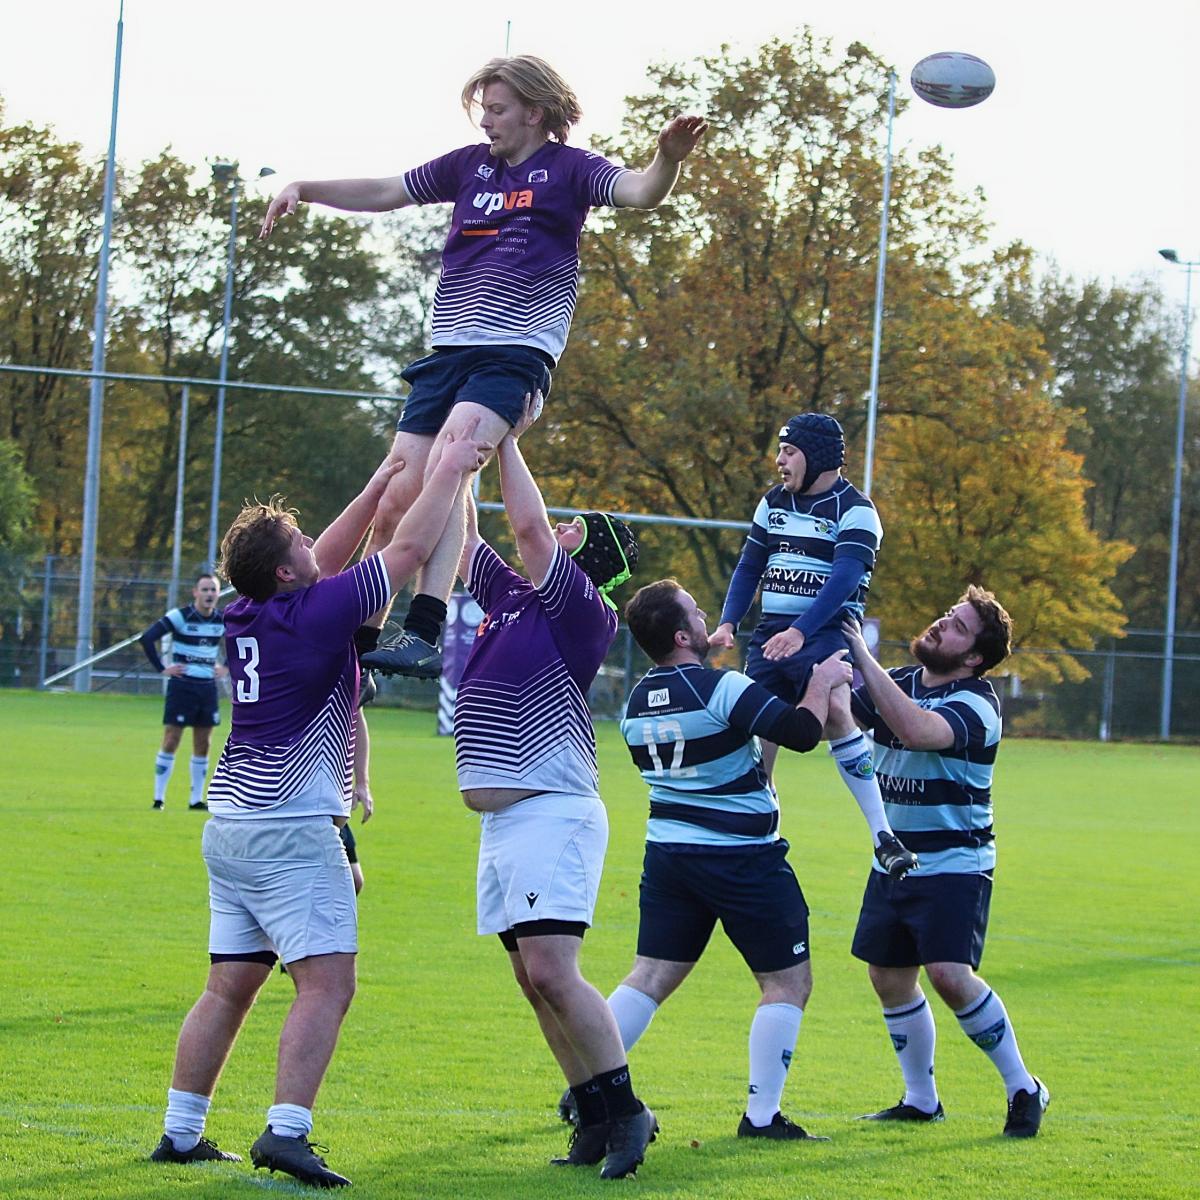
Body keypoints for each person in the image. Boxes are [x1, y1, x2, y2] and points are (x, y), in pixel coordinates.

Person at [260, 55, 706, 680]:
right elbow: (387, 191)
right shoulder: (470, 165)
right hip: (448, 352)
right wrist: (305, 188)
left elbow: (640, 191)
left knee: (452, 459)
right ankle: (358, 653)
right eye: (482, 110)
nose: (486, 121)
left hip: (515, 350)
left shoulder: (570, 170)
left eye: (497, 109)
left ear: (535, 112)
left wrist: (668, 159)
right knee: (395, 498)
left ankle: (424, 629)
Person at [148, 425, 490, 1187]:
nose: (314, 545)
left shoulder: (246, 612)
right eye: (300, 541)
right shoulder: (318, 614)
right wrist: (449, 471)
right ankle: (287, 1132)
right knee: (329, 984)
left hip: (231, 829)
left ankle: (180, 1131)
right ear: (284, 570)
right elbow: (407, 550)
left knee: (228, 986)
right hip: (292, 832)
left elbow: (326, 557)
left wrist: (377, 484)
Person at [453, 398, 653, 1180]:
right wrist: (458, 455)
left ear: (587, 557)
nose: (556, 528)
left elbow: (531, 531)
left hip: (552, 810)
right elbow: (466, 539)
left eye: (575, 530)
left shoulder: (582, 609)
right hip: (507, 823)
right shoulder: (513, 599)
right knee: (531, 980)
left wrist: (506, 437)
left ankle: (629, 1111)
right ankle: (593, 1116)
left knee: (552, 972)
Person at [586, 578, 854, 1148]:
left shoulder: (634, 702)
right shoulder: (722, 688)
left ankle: (589, 1088)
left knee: (649, 977)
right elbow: (801, 732)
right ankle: (762, 1117)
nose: (708, 614)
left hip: (669, 857)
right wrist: (821, 680)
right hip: (743, 860)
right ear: (683, 636)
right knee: (787, 983)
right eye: (696, 611)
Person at [842, 589, 1050, 1138]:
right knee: (889, 976)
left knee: (949, 976)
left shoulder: (978, 703)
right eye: (947, 616)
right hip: (895, 861)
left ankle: (1023, 1087)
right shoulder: (900, 681)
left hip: (955, 861)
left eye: (957, 627)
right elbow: (829, 722)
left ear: (974, 656)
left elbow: (917, 730)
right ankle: (921, 1099)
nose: (940, 624)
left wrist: (859, 654)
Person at [710, 412, 916, 879]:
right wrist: (728, 623)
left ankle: (883, 837)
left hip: (825, 630)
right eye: (780, 451)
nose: (779, 460)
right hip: (772, 632)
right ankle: (760, 835)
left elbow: (844, 579)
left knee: (839, 707)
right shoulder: (773, 502)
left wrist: (801, 631)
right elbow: (749, 566)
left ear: (817, 456)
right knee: (757, 732)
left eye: (789, 451)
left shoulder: (856, 509)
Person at [139, 573, 227, 811]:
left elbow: (242, 638)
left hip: (207, 688)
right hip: (182, 687)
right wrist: (162, 668)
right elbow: (147, 638)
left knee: (203, 743)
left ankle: (196, 799)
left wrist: (227, 666)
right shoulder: (180, 616)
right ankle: (159, 798)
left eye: (213, 590)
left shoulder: (221, 619)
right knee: (171, 739)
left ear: (218, 593)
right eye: (205, 589)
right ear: (195, 592)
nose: (209, 594)